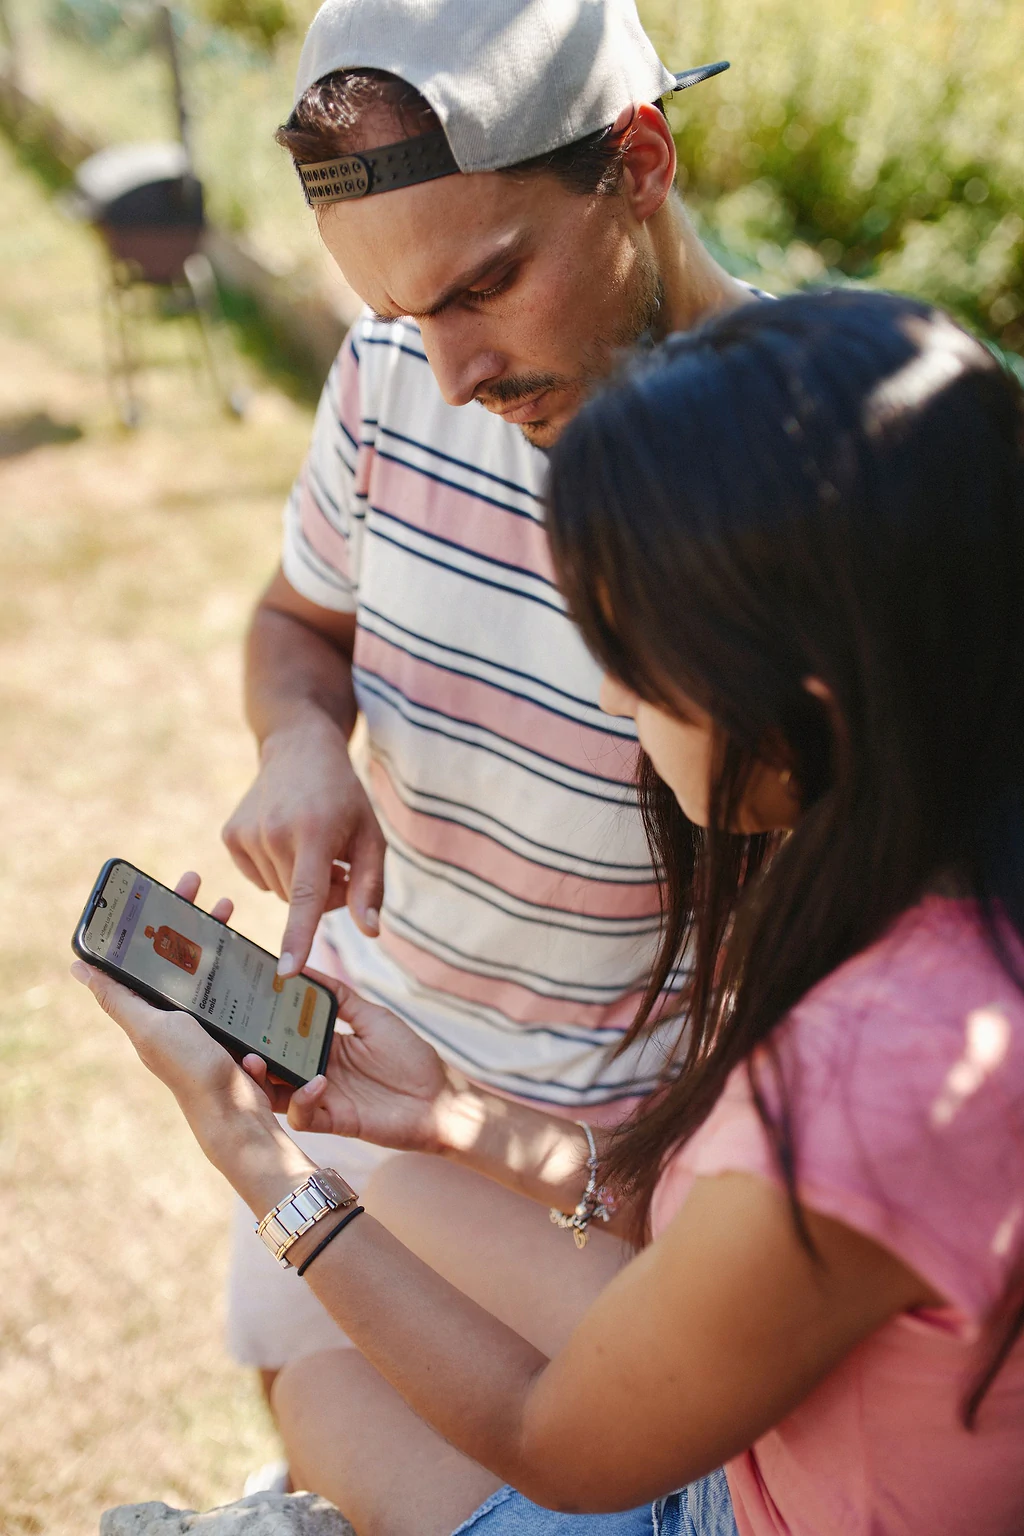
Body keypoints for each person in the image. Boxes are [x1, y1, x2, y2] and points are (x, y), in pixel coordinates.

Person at [76, 288, 1024, 1535]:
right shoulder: (934, 893)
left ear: (800, 693)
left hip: (727, 1504)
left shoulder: (879, 1072)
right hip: (768, 1416)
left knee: (327, 1386)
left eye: (631, 651)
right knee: (367, 1281)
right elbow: (714, 1236)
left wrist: (251, 1153)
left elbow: (560, 1450)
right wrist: (456, 1117)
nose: (618, 702)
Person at [217, 0, 765, 1476]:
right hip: (357, 1063)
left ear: (639, 162)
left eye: (486, 286)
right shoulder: (394, 381)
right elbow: (295, 627)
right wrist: (300, 745)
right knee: (327, 1409)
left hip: (603, 1186)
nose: (450, 374)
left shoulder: (799, 464)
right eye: (402, 318)